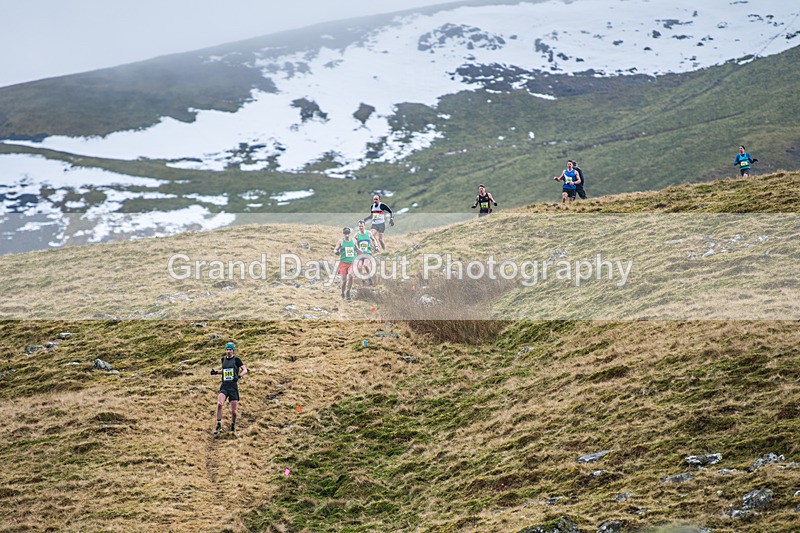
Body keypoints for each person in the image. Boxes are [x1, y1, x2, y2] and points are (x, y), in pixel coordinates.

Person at [210, 342, 248, 433]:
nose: (228, 351)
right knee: (219, 404)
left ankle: (233, 425)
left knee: (234, 412)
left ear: (233, 351)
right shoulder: (223, 359)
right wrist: (215, 372)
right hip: (224, 386)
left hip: (233, 387)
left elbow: (245, 370)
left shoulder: (237, 360)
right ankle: (218, 425)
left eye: (230, 350)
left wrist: (238, 376)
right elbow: (224, 371)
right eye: (227, 349)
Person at [333, 226, 356, 300]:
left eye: (348, 233)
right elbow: (335, 249)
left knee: (351, 276)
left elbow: (357, 249)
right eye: (345, 234)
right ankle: (342, 293)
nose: (347, 235)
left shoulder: (354, 240)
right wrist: (336, 252)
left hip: (351, 263)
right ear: (343, 234)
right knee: (344, 281)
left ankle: (348, 292)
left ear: (350, 233)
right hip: (343, 263)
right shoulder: (341, 241)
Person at [354, 219, 378, 285]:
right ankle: (362, 281)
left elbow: (374, 240)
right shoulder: (356, 235)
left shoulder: (369, 233)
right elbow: (353, 243)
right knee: (359, 267)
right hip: (360, 254)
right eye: (359, 226)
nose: (361, 227)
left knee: (365, 265)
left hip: (368, 253)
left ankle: (370, 278)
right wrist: (356, 249)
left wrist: (376, 246)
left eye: (362, 226)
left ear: (365, 226)